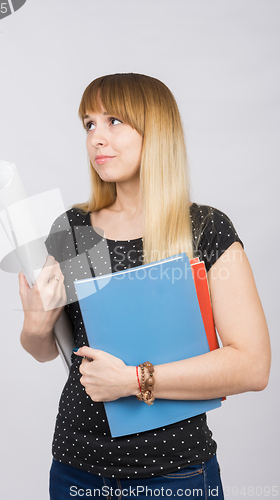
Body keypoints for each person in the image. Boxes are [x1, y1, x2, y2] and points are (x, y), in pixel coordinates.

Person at [18, 73, 271, 499]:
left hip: (175, 475)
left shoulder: (204, 229)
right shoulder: (76, 227)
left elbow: (252, 366)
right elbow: (45, 350)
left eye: (114, 120)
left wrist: (135, 380)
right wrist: (34, 326)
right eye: (89, 123)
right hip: (76, 469)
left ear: (156, 130)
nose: (97, 137)